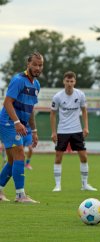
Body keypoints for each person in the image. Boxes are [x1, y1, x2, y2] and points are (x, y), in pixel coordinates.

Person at [0, 52, 43, 203]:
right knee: (20, 155)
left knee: (12, 161)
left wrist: (35, 131)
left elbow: (30, 109)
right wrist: (17, 122)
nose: (38, 68)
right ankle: (20, 195)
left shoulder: (36, 85)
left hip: (17, 124)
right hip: (8, 122)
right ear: (28, 64)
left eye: (40, 65)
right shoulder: (18, 80)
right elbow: (7, 103)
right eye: (35, 65)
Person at [50, 71, 97, 192]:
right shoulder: (57, 96)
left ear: (74, 82)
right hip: (62, 130)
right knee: (58, 157)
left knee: (84, 157)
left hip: (77, 130)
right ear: (63, 82)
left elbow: (84, 111)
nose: (69, 84)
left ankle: (85, 184)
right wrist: (54, 132)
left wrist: (86, 127)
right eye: (67, 81)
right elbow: (53, 114)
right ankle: (58, 185)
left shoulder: (80, 95)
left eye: (71, 81)